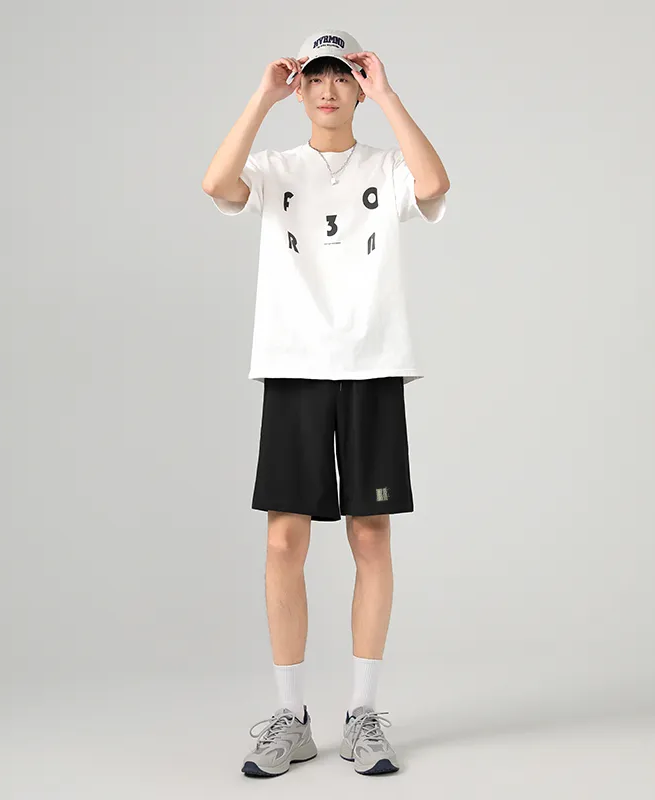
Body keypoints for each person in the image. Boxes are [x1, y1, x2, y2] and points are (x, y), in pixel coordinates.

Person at [202, 29, 449, 778]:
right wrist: (262, 96)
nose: (329, 89)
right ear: (301, 89)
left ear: (357, 86)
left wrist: (388, 95)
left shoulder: (384, 166)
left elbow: (434, 184)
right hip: (294, 368)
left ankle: (364, 714)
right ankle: (292, 718)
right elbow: (216, 184)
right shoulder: (277, 169)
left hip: (372, 368)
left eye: (342, 76)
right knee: (284, 541)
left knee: (370, 538)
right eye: (316, 78)